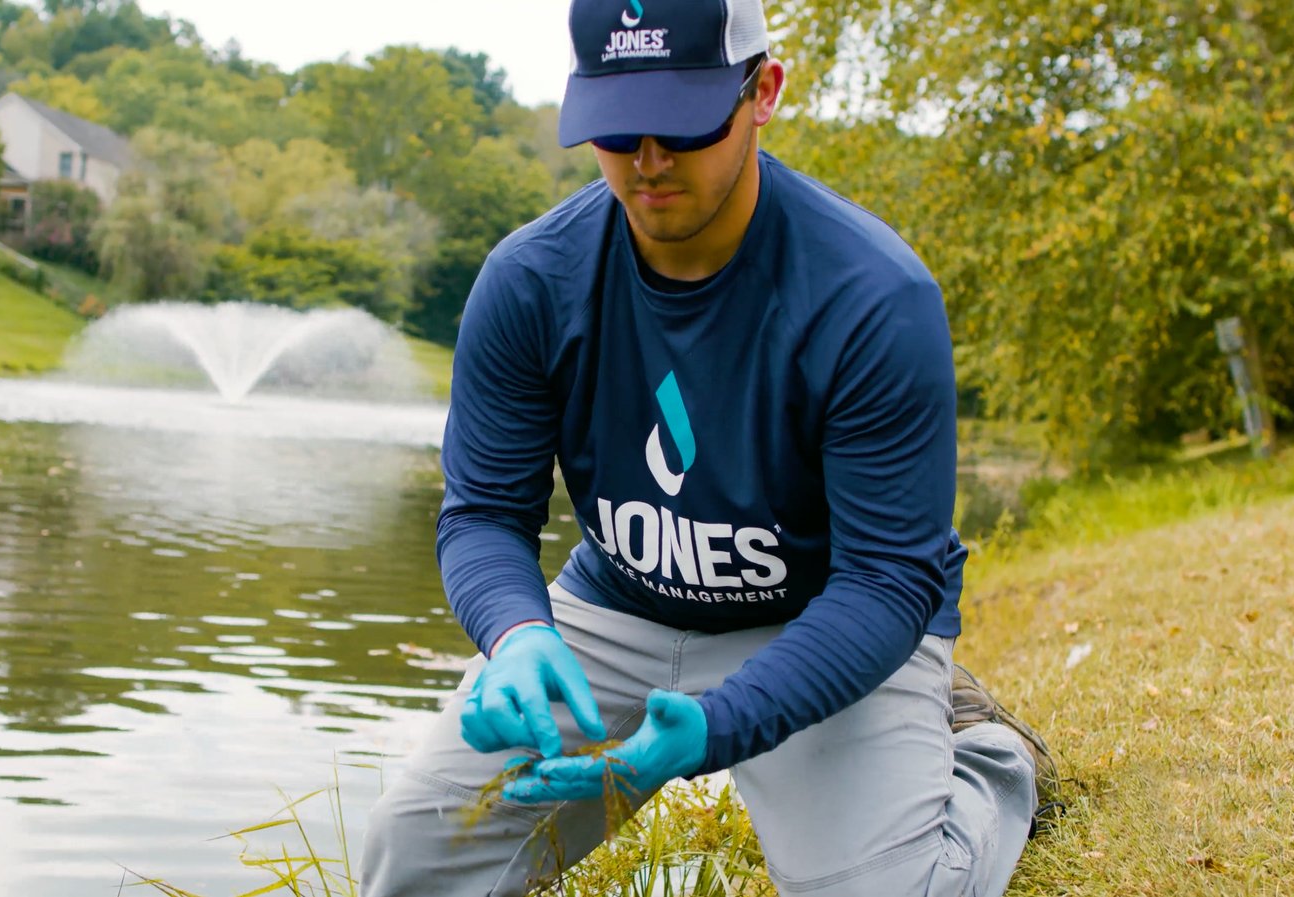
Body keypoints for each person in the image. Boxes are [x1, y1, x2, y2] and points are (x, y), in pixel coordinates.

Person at [358, 0, 1060, 893]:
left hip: (818, 619)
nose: (648, 162)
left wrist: (717, 724)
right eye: (618, 130)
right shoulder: (530, 281)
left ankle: (988, 761)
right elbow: (484, 514)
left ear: (762, 92)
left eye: (682, 127)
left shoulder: (872, 297)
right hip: (615, 611)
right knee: (410, 860)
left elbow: (890, 580)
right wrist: (516, 630)